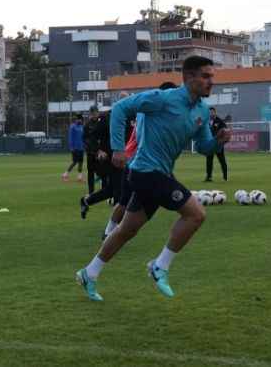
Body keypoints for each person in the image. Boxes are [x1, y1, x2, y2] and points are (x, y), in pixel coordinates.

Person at [74, 56, 231, 301]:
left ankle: (89, 273)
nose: (211, 82)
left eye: (212, 77)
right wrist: (117, 148)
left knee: (126, 230)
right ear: (189, 77)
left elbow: (203, 146)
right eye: (206, 76)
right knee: (196, 214)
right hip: (146, 172)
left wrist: (218, 142)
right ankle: (160, 266)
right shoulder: (163, 99)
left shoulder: (201, 110)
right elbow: (120, 109)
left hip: (159, 173)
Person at [101, 82, 177, 240]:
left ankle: (110, 231)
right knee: (126, 202)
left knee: (126, 201)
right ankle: (111, 232)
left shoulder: (147, 112)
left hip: (140, 162)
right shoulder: (149, 113)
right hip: (138, 163)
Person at [79, 109, 121, 220]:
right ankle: (115, 225)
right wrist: (98, 150)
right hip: (111, 158)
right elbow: (91, 136)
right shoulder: (107, 117)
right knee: (118, 189)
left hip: (125, 158)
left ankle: (87, 201)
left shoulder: (130, 116)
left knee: (112, 189)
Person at [205, 107, 229, 182]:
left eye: (212, 112)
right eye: (210, 112)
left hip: (218, 144)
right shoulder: (207, 121)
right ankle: (209, 177)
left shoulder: (219, 121)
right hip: (210, 144)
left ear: (215, 112)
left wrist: (222, 139)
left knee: (222, 160)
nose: (211, 113)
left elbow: (225, 130)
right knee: (209, 161)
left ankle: (225, 177)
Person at [82, 106, 102, 194]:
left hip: (101, 152)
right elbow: (84, 138)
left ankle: (104, 190)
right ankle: (91, 191)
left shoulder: (102, 122)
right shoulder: (87, 124)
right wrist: (89, 146)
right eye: (92, 113)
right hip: (90, 152)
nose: (94, 114)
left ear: (98, 113)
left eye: (95, 112)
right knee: (90, 172)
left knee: (103, 172)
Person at [62, 116, 84, 182]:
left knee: (81, 162)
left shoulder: (82, 127)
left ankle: (79, 177)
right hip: (75, 148)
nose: (80, 121)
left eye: (81, 120)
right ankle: (65, 174)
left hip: (81, 147)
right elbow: (70, 137)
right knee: (75, 162)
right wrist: (71, 147)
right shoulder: (72, 127)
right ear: (76, 120)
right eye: (79, 119)